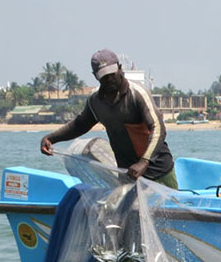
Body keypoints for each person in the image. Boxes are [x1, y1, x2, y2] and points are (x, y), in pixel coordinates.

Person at [40, 49, 178, 189]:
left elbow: (158, 128)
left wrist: (144, 161)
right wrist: (51, 138)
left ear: (119, 68)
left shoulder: (137, 94)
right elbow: (80, 124)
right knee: (128, 209)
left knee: (171, 208)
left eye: (112, 73)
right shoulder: (96, 101)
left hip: (158, 168)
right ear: (96, 76)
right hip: (127, 172)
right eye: (104, 76)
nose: (110, 78)